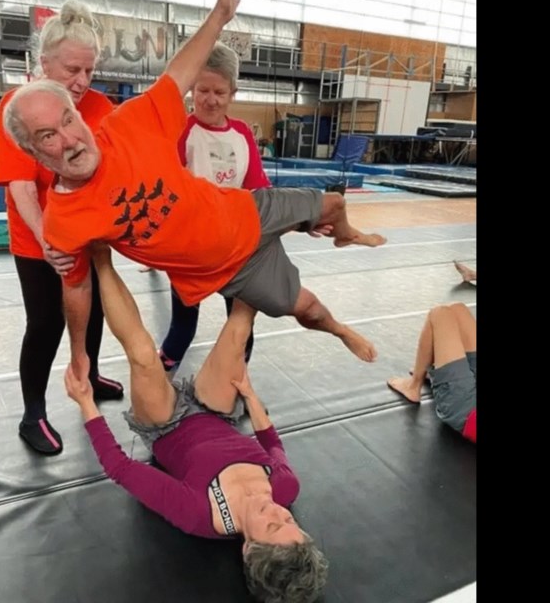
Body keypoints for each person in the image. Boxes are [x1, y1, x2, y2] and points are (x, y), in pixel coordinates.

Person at [2, 0, 387, 390]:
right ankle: (339, 329)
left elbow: (178, 73)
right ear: (34, 152)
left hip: (248, 210)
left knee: (332, 203)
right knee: (308, 309)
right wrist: (79, 355)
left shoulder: (127, 123)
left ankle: (345, 233)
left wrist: (220, 15)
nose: (70, 139)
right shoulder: (66, 222)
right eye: (48, 137)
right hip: (222, 266)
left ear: (79, 113)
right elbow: (76, 292)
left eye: (68, 121)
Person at [65, 242, 329, 602]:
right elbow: (273, 445)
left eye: (271, 525)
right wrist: (251, 398)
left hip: (166, 424)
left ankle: (99, 255)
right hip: (216, 411)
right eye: (290, 521)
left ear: (248, 549)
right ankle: (255, 244)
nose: (279, 512)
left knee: (144, 356)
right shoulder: (285, 489)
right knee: (238, 331)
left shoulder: (199, 515)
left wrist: (85, 404)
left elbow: (120, 468)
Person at [0, 0, 123, 455]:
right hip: (37, 240)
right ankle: (34, 411)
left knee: (95, 315)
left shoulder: (101, 107)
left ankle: (86, 372)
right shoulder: (17, 105)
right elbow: (22, 187)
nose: (81, 81)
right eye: (71, 70)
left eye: (88, 71)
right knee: (45, 322)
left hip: (89, 237)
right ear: (43, 62)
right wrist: (50, 240)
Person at [157, 41, 272, 377]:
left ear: (232, 93)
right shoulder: (183, 131)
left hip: (234, 247)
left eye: (219, 92)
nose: (210, 99)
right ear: (191, 88)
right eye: (202, 90)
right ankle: (160, 385)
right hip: (191, 249)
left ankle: (236, 381)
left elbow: (258, 189)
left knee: (240, 320)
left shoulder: (242, 135)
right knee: (183, 325)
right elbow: (168, 188)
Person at [386, 303, 476, 443]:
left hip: (468, 409)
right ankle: (439, 369)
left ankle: (413, 386)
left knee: (439, 314)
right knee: (458, 310)